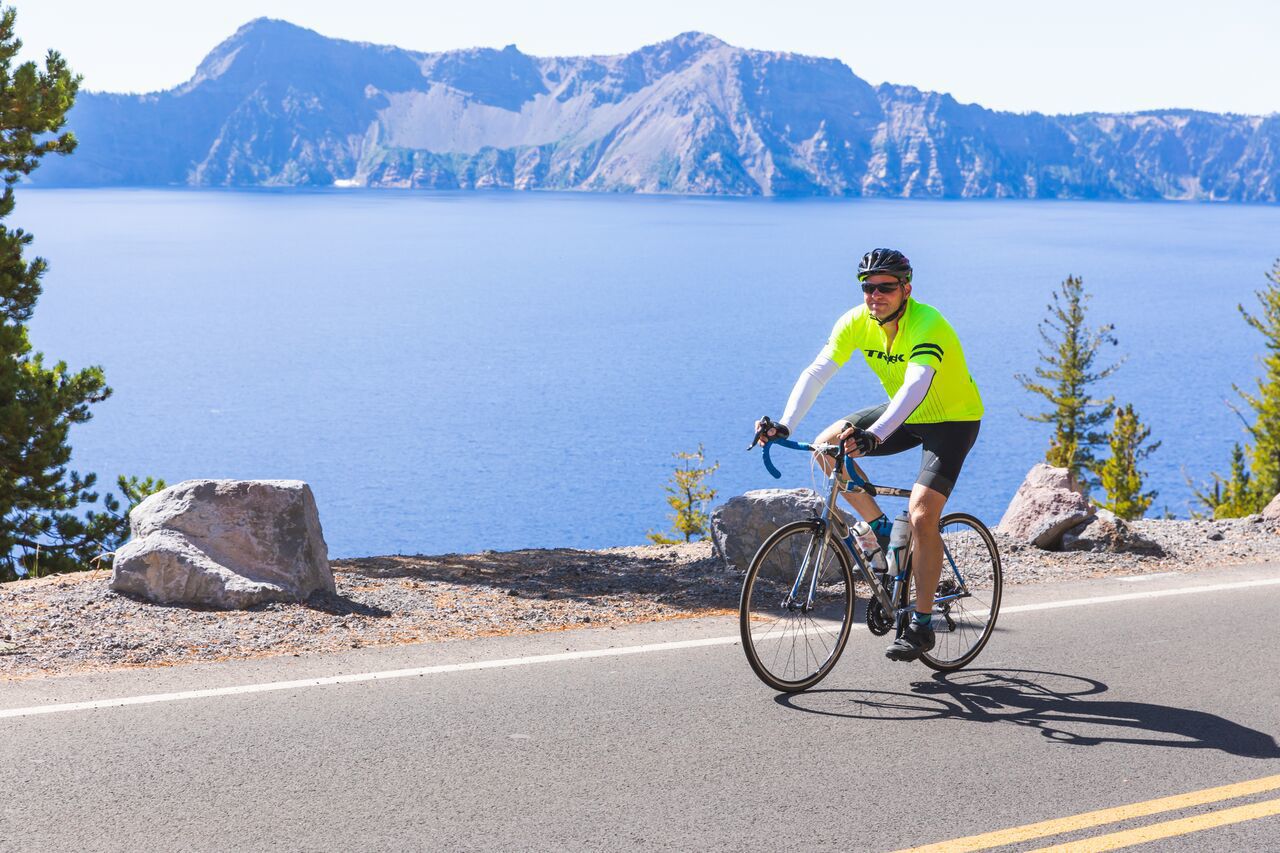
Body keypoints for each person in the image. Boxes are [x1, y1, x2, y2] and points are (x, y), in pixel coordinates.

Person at [752, 248, 983, 661]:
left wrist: (874, 435)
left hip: (951, 420)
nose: (875, 295)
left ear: (906, 289)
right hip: (906, 416)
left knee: (921, 515)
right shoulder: (857, 321)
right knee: (828, 448)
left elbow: (915, 386)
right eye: (868, 287)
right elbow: (818, 371)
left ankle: (922, 624)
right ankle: (879, 533)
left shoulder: (928, 324)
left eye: (886, 288)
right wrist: (785, 425)